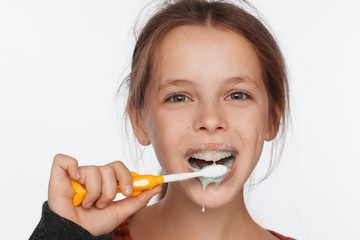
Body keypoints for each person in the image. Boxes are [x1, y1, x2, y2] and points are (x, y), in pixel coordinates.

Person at [30, 0, 294, 239]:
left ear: (272, 118)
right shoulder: (83, 234)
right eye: (179, 98)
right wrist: (65, 233)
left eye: (237, 95)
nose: (211, 119)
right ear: (139, 121)